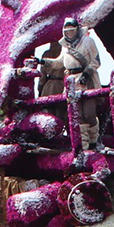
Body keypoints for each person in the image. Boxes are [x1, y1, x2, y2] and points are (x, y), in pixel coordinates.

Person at [42, 17, 102, 149]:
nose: (69, 33)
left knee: (89, 113)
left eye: (71, 30)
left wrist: (86, 74)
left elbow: (96, 61)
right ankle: (84, 145)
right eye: (67, 31)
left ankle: (94, 141)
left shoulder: (87, 41)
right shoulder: (65, 46)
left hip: (87, 79)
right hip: (71, 82)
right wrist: (43, 62)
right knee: (77, 115)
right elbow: (59, 63)